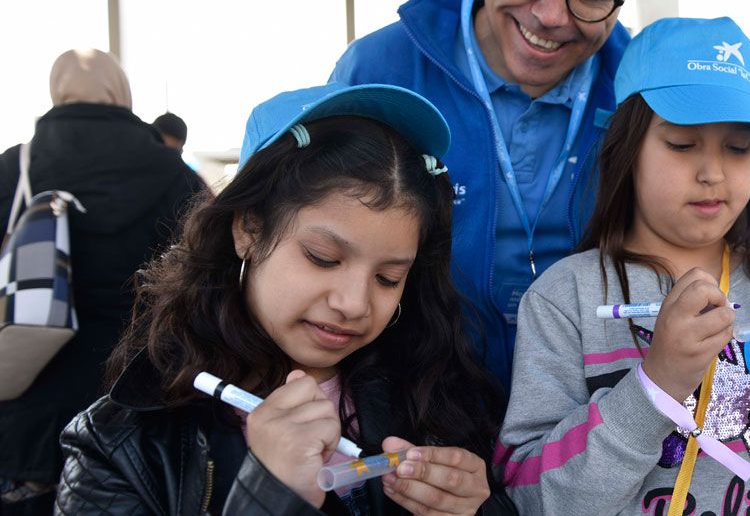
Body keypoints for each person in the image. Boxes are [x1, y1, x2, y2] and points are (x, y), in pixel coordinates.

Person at [497, 18, 750, 515]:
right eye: (682, 144)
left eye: (738, 148)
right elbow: (529, 494)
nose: (712, 173)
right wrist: (655, 386)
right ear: (627, 150)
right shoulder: (568, 298)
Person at [56, 82, 514, 515]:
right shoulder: (120, 441)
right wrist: (267, 496)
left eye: (388, 278)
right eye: (323, 258)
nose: (354, 303)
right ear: (248, 230)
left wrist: (481, 508)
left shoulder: (435, 397)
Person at [329, 0, 656, 387]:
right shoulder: (381, 70)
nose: (549, 16)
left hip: (584, 418)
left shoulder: (641, 97)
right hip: (409, 401)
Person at [0, 49, 207, 515]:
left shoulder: (15, 168)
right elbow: (203, 282)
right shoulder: (174, 174)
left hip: (29, 396)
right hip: (135, 402)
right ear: (121, 93)